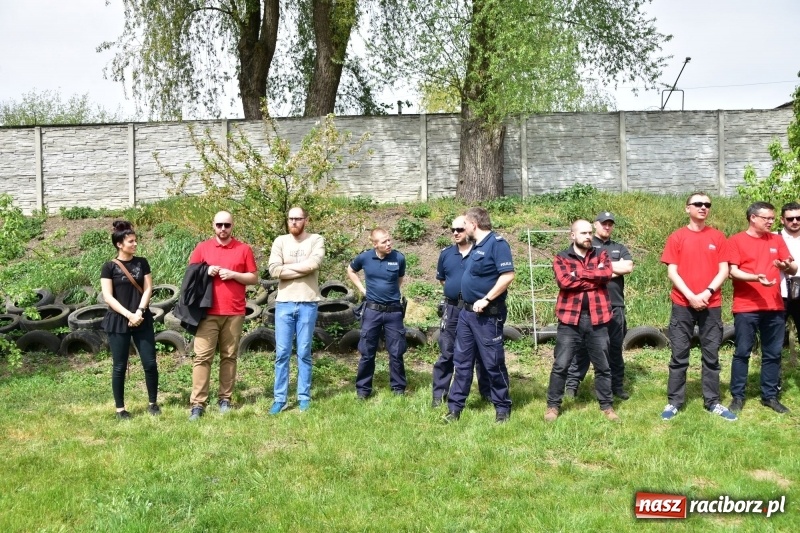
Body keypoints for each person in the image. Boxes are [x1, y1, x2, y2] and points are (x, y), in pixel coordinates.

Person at [660, 192, 736, 421]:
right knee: (679, 354)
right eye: (698, 204)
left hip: (711, 304)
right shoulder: (677, 237)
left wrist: (706, 292)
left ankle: (712, 401)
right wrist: (691, 295)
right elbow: (672, 271)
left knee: (711, 355)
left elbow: (724, 270)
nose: (703, 207)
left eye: (707, 205)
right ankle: (674, 401)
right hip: (682, 304)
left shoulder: (718, 237)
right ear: (687, 208)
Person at [544, 219, 619, 422]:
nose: (588, 237)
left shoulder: (601, 253)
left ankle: (607, 406)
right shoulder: (561, 257)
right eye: (583, 233)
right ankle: (553, 406)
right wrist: (592, 279)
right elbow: (564, 281)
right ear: (572, 235)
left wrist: (579, 274)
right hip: (570, 320)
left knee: (603, 365)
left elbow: (606, 274)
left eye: (589, 233)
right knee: (561, 365)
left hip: (598, 318)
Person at [445, 207, 515, 423]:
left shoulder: (497, 244)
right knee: (462, 361)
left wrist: (487, 299)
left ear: (473, 225)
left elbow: (507, 275)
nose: (461, 228)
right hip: (466, 314)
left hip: (487, 316)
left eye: (464, 224)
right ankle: (455, 409)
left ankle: (502, 407)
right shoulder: (476, 246)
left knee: (493, 363)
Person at [187, 211, 258, 420]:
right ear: (213, 225)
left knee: (229, 357)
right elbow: (190, 275)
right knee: (202, 357)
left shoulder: (243, 249)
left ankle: (225, 399)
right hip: (207, 312)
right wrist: (205, 272)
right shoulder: (203, 248)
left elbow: (253, 277)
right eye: (219, 225)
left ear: (232, 226)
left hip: (234, 312)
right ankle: (198, 403)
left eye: (227, 225)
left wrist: (234, 275)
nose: (223, 229)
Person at [728, 202, 797, 414]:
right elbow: (733, 271)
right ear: (753, 218)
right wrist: (755, 278)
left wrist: (785, 266)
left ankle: (770, 396)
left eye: (772, 218)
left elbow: (793, 267)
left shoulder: (776, 240)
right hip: (746, 307)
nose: (771, 221)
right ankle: (737, 396)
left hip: (774, 306)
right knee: (742, 352)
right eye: (766, 218)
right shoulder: (737, 241)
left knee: (773, 354)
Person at [565, 211, 633, 400]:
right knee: (582, 349)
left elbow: (628, 267)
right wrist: (608, 269)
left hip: (615, 306)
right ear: (595, 225)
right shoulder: (586, 244)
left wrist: (596, 271)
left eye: (610, 224)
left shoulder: (619, 247)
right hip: (589, 307)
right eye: (604, 223)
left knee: (615, 349)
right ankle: (572, 386)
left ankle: (616, 386)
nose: (607, 227)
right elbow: (576, 270)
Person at [267, 207, 325, 414]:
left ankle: (303, 397)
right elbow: (273, 270)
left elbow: (314, 264)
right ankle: (279, 399)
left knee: (304, 352)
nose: (294, 222)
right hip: (284, 303)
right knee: (282, 353)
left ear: (306, 220)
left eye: (298, 219)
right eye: (291, 219)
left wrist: (287, 268)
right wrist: (301, 266)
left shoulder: (316, 239)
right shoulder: (280, 241)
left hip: (308, 302)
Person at [100, 220, 159, 419]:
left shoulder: (142, 262)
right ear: (119, 244)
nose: (135, 244)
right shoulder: (109, 267)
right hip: (119, 320)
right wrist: (129, 315)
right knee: (119, 365)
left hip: (142, 318)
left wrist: (140, 311)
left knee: (150, 363)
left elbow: (148, 288)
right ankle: (120, 409)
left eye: (135, 241)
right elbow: (108, 297)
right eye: (131, 241)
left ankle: (153, 403)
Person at [431, 215, 490, 408]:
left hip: (476, 309)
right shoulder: (446, 254)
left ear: (469, 229)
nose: (456, 233)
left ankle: (487, 393)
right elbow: (443, 279)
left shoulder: (480, 251)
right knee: (447, 352)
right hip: (452, 308)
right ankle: (439, 395)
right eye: (452, 230)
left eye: (460, 229)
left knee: (481, 354)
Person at [347, 228, 408, 398]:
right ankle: (363, 390)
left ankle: (398, 389)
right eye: (384, 242)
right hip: (372, 312)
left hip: (394, 312)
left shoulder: (399, 258)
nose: (388, 244)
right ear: (374, 244)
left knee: (396, 352)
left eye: (389, 240)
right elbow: (351, 270)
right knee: (367, 352)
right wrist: (362, 289)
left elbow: (400, 278)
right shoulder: (365, 257)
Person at [776, 202, 800, 342]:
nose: (795, 221)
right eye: (790, 219)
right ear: (782, 219)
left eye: (798, 217)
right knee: (774, 339)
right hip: (780, 295)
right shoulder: (772, 237)